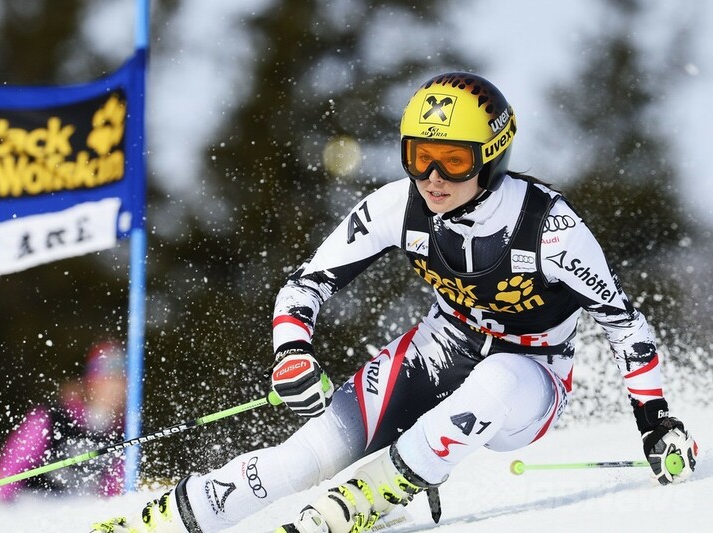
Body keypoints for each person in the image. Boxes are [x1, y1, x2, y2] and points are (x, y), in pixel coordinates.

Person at [92, 72, 698, 533]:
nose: (432, 178)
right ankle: (165, 520)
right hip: (438, 349)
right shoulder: (395, 207)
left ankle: (372, 494)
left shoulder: (549, 228)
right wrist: (292, 352)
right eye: (418, 156)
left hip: (531, 378)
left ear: (493, 157)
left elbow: (625, 324)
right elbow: (305, 285)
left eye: (454, 160)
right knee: (303, 458)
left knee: (499, 378)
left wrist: (656, 423)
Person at [0, 340, 127, 501]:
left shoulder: (124, 431)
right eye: (107, 380)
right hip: (33, 504)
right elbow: (10, 469)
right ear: (90, 382)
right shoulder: (52, 417)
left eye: (121, 381)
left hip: (80, 508)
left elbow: (113, 491)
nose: (115, 389)